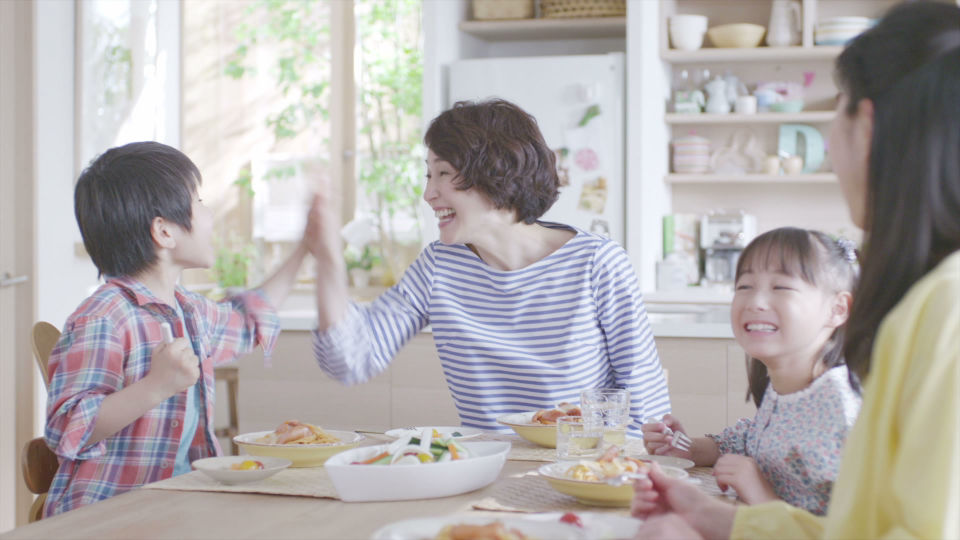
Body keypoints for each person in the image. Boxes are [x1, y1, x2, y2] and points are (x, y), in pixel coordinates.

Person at [630, 3, 960, 538]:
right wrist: (706, 512)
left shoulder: (946, 310)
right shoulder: (926, 300)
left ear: (867, 126)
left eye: (838, 111)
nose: (831, 142)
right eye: (746, 284)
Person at [309, 99, 671, 432]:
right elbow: (352, 358)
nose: (428, 194)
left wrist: (619, 479)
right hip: (486, 473)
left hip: (583, 472)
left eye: (444, 174)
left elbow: (646, 401)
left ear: (495, 173)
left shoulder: (596, 264)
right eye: (428, 175)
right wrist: (327, 260)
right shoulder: (440, 267)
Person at [44, 141, 313, 516]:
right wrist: (156, 386)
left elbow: (248, 321)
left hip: (179, 504)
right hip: (105, 517)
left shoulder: (189, 311)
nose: (210, 214)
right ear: (164, 232)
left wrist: (304, 249)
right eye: (199, 201)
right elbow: (67, 429)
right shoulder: (103, 317)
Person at [642, 227, 860, 515]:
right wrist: (690, 449)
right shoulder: (787, 388)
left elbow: (856, 528)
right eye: (744, 286)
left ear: (837, 308)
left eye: (780, 287)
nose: (755, 302)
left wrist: (761, 496)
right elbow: (755, 439)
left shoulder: (840, 407)